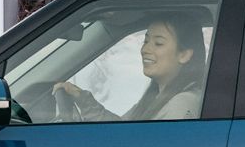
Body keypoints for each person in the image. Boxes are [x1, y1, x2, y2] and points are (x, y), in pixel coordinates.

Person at [53, 12, 207, 121]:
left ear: (184, 55)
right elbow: (122, 132)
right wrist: (84, 100)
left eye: (158, 43)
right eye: (145, 41)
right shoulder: (156, 97)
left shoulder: (182, 105)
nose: (145, 49)